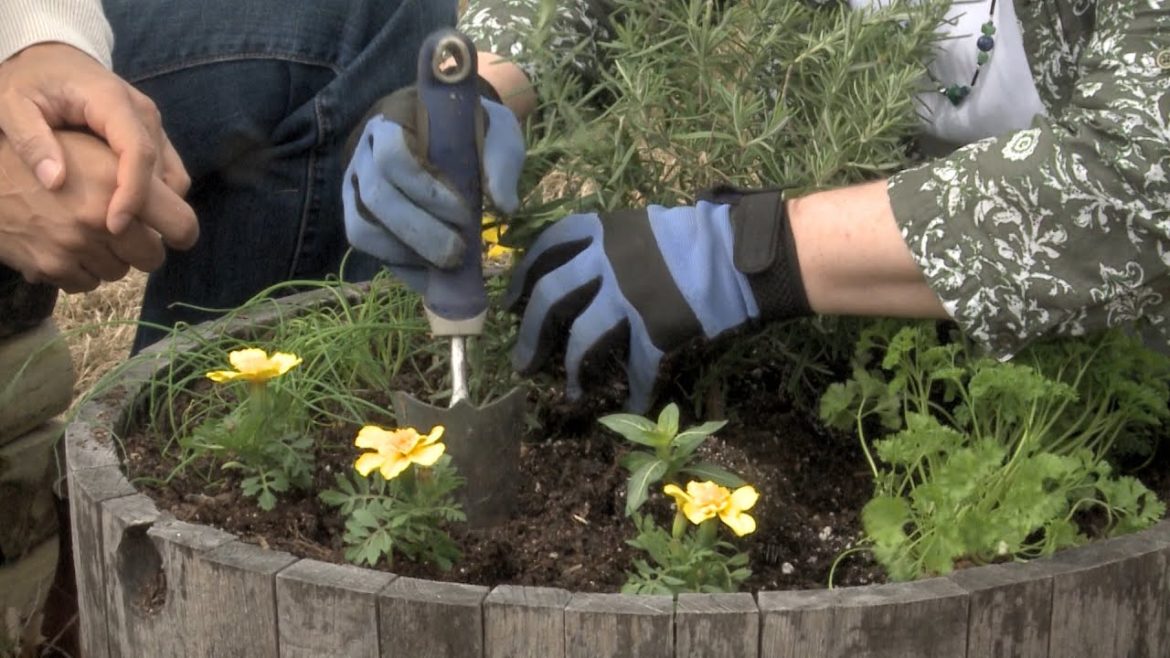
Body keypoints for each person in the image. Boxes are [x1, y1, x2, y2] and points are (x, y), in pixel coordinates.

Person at [344, 0, 1170, 413]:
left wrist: (753, 249)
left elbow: (1145, 168)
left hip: (1113, 401)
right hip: (897, 367)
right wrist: (479, 90)